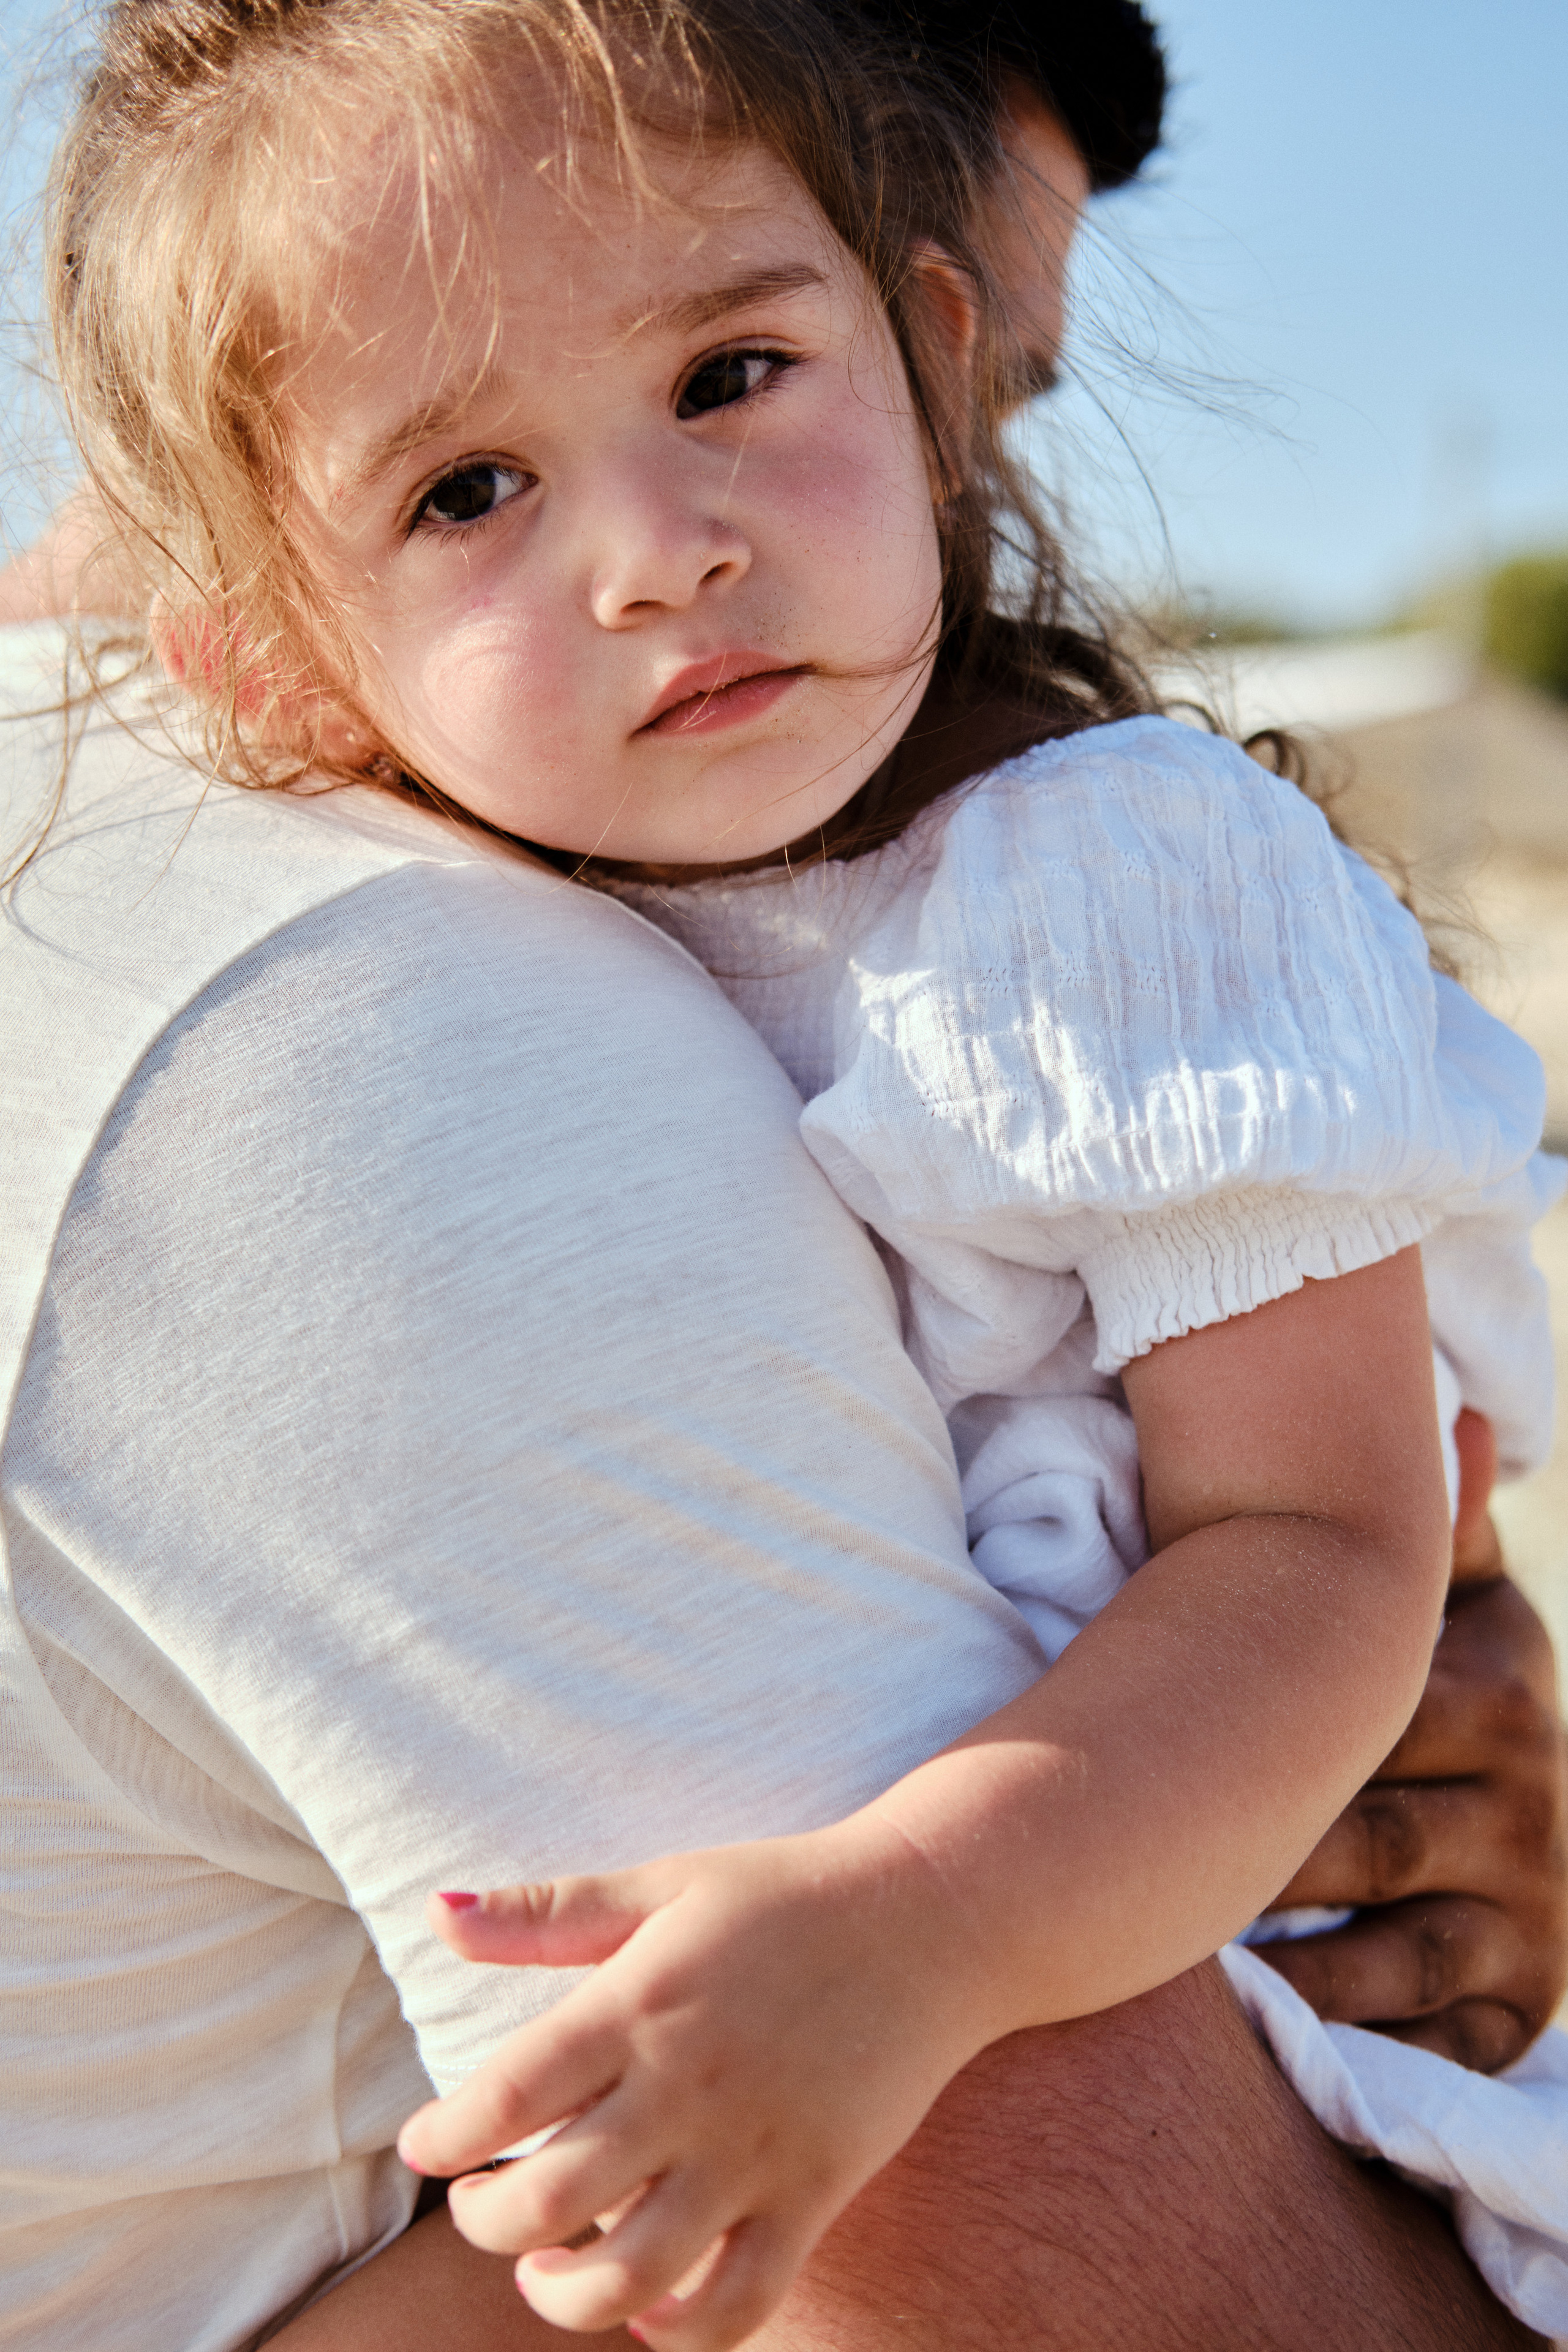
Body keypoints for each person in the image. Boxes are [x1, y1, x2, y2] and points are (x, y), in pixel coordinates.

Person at [9, 0, 1563, 2346]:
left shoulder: (1105, 879)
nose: (660, 553)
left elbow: (1320, 1537)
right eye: (465, 490)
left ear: (919, 367)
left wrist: (920, 1928)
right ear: (279, 668)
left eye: (733, 374)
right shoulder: (371, 989)